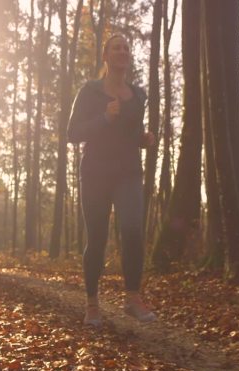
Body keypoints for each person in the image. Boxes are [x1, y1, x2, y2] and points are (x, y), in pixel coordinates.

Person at [67, 35, 156, 326]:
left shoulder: (139, 95)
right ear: (105, 55)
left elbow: (130, 133)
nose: (122, 51)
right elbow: (73, 133)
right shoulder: (90, 92)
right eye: (116, 47)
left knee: (132, 229)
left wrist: (143, 140)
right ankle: (92, 304)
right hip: (95, 172)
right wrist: (104, 118)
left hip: (128, 171)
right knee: (97, 239)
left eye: (126, 48)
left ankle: (132, 298)